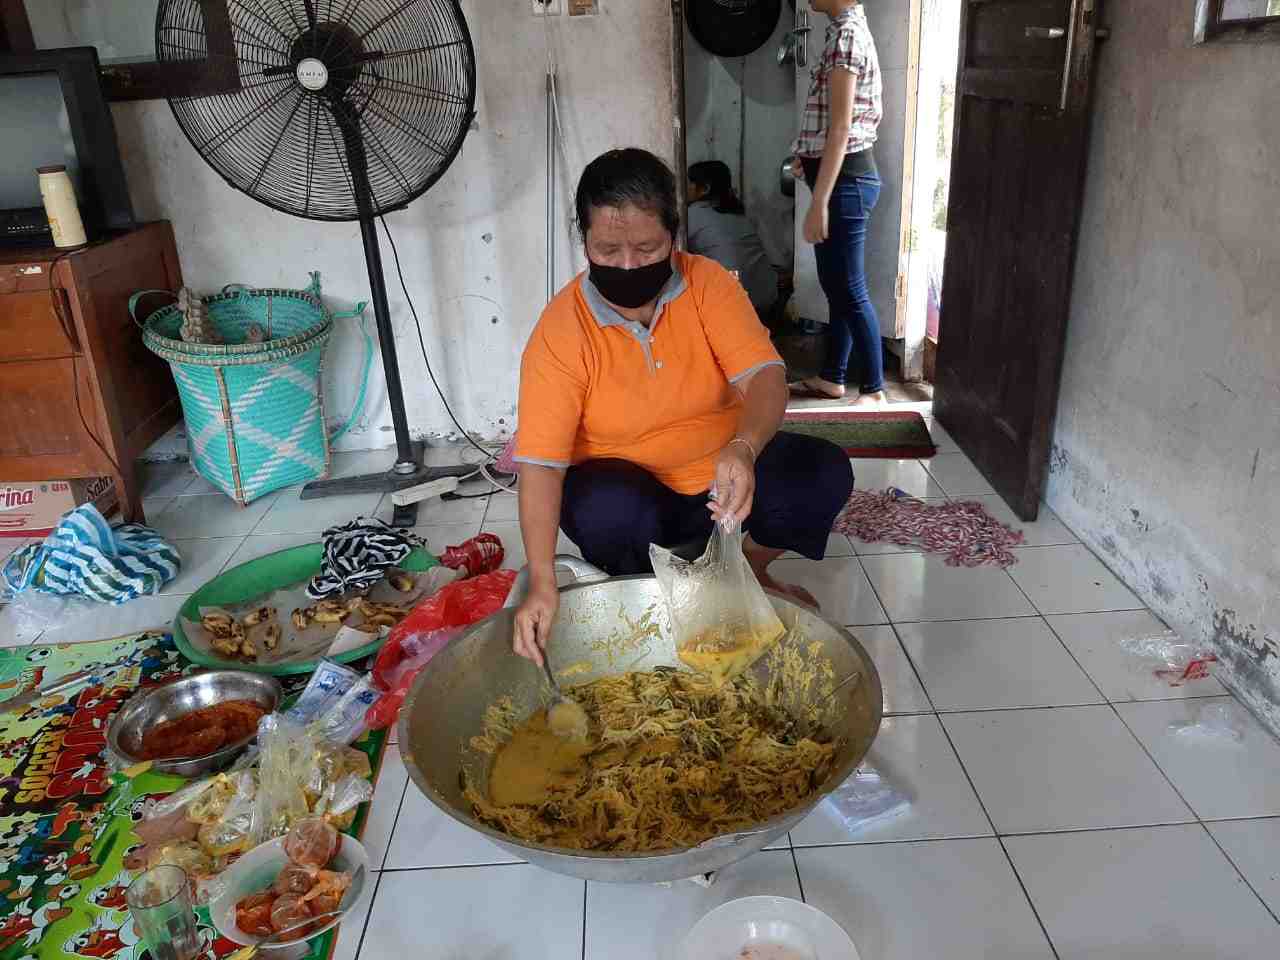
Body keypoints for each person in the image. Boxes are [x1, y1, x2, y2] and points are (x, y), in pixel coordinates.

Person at [511, 148, 854, 665]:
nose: (627, 265)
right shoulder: (561, 331)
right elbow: (539, 463)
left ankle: (751, 574)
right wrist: (541, 581)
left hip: (722, 484)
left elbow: (765, 374)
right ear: (584, 240)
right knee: (605, 509)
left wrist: (744, 446)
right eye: (607, 249)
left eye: (647, 248)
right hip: (633, 497)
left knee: (821, 471)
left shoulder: (707, 284)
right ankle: (659, 594)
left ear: (674, 236)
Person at [788, 0, 886, 408]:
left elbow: (843, 126)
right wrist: (804, 155)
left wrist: (819, 202)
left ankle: (875, 390)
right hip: (841, 179)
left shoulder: (846, 36)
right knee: (837, 286)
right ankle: (833, 377)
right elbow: (830, 118)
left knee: (849, 288)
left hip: (846, 184)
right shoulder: (840, 30)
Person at [686, 161, 777, 321]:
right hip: (765, 299)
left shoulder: (692, 214)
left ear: (704, 189)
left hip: (735, 309)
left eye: (690, 183)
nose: (685, 188)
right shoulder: (737, 212)